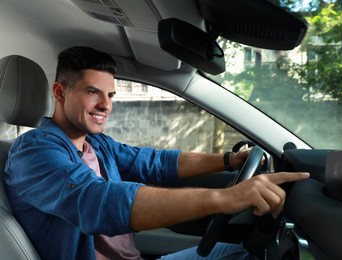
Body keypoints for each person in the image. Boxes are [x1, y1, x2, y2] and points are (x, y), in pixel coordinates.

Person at [4, 46, 310, 260]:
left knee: (245, 254)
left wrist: (229, 161)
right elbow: (95, 201)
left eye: (110, 95)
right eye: (92, 92)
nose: (106, 106)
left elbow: (155, 162)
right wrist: (225, 198)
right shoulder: (33, 151)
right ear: (60, 92)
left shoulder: (97, 144)